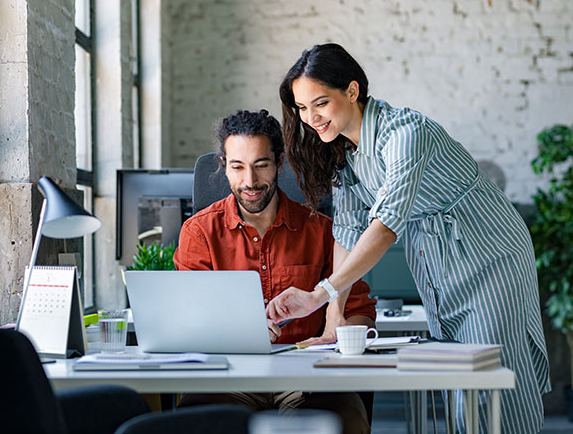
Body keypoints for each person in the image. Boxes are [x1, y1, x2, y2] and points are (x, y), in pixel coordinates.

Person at [266, 43, 551, 433]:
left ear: (352, 90)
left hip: (488, 254)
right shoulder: (345, 151)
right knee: (458, 387)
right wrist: (333, 317)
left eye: (320, 103)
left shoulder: (405, 134)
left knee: (490, 383)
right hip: (437, 262)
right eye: (301, 108)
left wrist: (319, 294)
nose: (311, 117)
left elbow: (383, 227)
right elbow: (349, 228)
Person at [174, 109, 376, 434]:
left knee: (345, 420)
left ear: (280, 164)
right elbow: (186, 322)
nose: (250, 182)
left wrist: (339, 334)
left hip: (307, 380)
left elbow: (360, 312)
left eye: (261, 165)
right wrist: (242, 332)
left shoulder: (322, 231)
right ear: (224, 166)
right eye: (237, 167)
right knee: (193, 425)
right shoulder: (200, 233)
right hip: (229, 380)